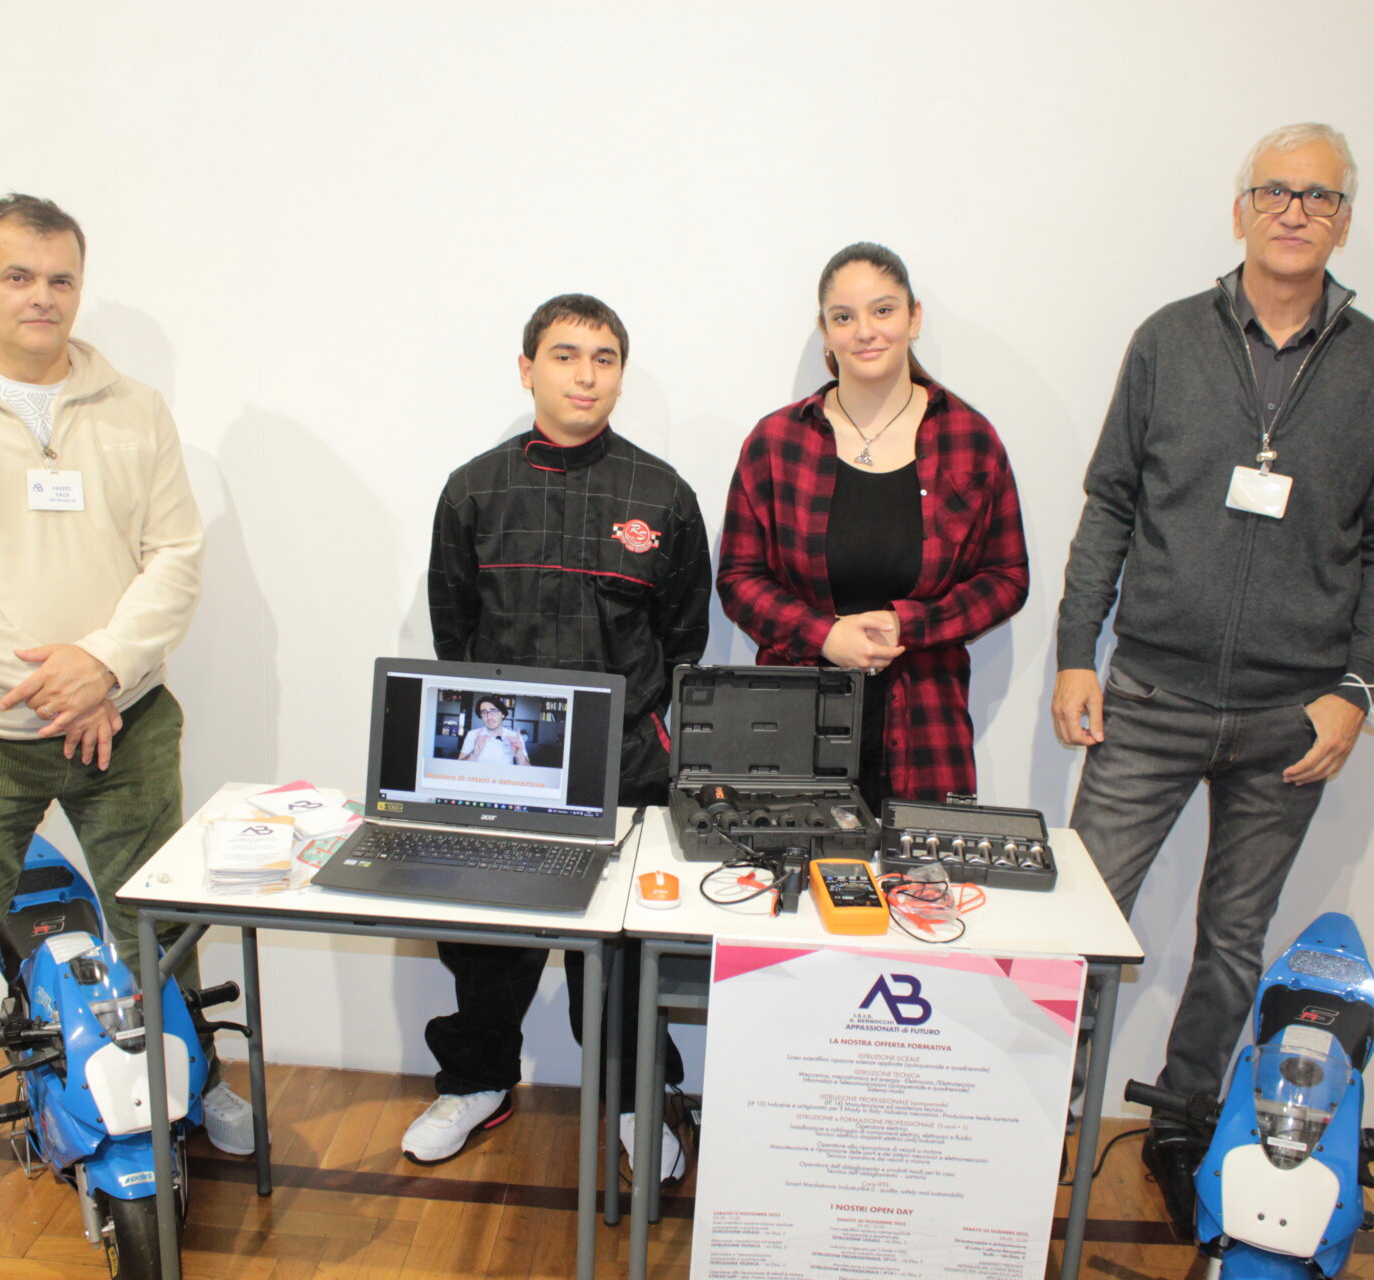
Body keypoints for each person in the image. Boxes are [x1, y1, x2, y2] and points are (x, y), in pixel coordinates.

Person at [0, 194, 252, 1246]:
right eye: (18, 276)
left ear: (81, 286)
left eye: (61, 278)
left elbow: (175, 556)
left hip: (122, 718)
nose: (42, 296)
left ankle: (188, 1081)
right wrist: (57, 685)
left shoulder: (135, 407)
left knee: (157, 931)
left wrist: (105, 669)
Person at [1050, 123, 1374, 1233]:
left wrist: (1356, 685)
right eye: (1276, 190)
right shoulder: (1169, 339)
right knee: (1082, 920)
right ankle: (1034, 1108)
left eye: (1319, 195)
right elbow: (1111, 497)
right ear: (1242, 207)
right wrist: (1077, 648)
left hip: (1289, 716)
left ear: (1343, 219)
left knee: (1232, 942)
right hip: (1151, 694)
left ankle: (1182, 1121)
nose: (1295, 209)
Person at [418, 293, 710, 1177]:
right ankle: (475, 1084)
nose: (586, 374)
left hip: (628, 771)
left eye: (605, 358)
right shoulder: (473, 490)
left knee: (619, 958)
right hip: (504, 772)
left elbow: (684, 639)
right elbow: (452, 632)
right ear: (527, 369)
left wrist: (650, 745)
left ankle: (634, 1102)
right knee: (486, 947)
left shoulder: (661, 495)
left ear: (621, 373)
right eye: (566, 354)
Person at [718, 242, 1029, 811]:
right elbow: (739, 579)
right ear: (825, 331)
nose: (865, 331)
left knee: (921, 891)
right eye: (844, 317)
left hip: (927, 731)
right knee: (787, 887)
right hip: (794, 723)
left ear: (914, 318)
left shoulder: (970, 439)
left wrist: (909, 624)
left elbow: (1006, 578)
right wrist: (824, 637)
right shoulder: (777, 442)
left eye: (883, 311)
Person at [458, 694, 530, 764]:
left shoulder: (515, 737)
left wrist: (520, 757)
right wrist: (474, 754)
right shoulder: (473, 735)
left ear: (503, 714)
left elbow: (529, 772)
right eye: (484, 712)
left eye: (494, 711)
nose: (489, 717)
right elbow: (458, 767)